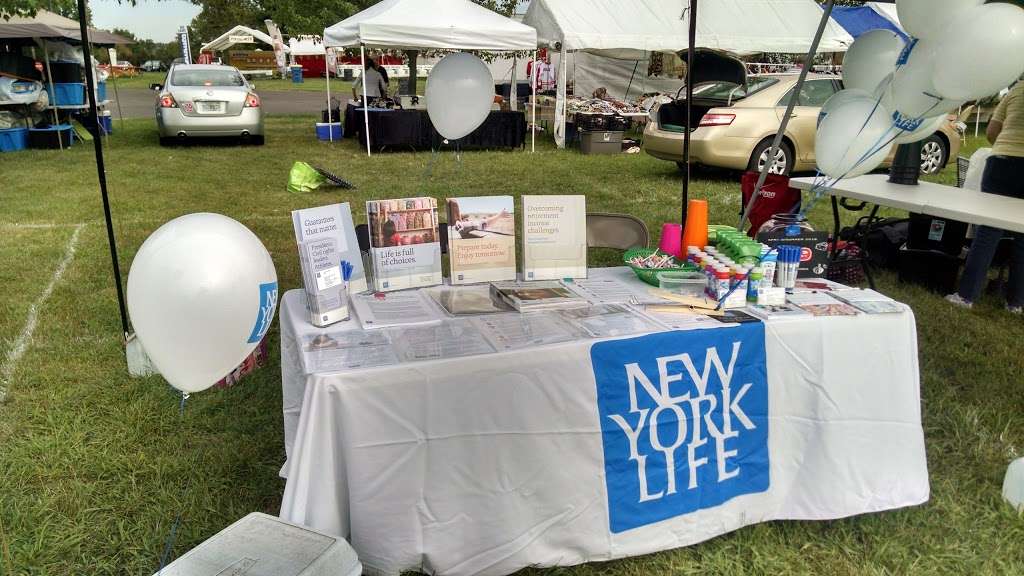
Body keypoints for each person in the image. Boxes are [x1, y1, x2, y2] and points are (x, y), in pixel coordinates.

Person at [946, 80, 1024, 314]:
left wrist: (1004, 146)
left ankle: (966, 295)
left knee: (987, 231)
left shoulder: (1017, 90)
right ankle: (1016, 302)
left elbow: (992, 131)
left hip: (1002, 163)